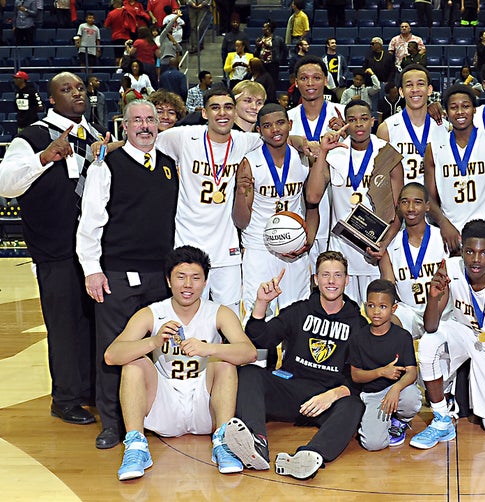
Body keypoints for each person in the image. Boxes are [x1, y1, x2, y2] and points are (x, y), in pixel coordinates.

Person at [0, 72, 103, 428]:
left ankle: (90, 390)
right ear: (52, 99)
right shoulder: (29, 137)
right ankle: (66, 398)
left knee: (94, 322)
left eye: (79, 87)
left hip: (93, 253)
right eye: (66, 89)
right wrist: (44, 158)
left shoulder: (95, 136)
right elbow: (5, 185)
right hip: (55, 250)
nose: (76, 93)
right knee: (63, 326)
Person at [75, 99, 179, 449]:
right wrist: (92, 270)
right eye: (137, 120)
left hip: (159, 277)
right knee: (113, 349)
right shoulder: (107, 166)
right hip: (117, 275)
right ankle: (111, 423)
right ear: (125, 125)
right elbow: (90, 222)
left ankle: (149, 417)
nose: (145, 125)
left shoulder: (168, 166)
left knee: (158, 348)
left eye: (151, 119)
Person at [104, 246, 257, 480]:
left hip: (206, 405)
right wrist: (154, 341)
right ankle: (136, 446)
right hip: (165, 402)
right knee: (133, 364)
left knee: (224, 361)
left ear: (205, 282)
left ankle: (223, 442)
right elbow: (111, 355)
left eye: (196, 278)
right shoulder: (152, 313)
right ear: (168, 280)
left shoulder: (219, 312)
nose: (188, 285)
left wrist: (209, 348)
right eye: (181, 277)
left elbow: (249, 353)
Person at [223, 251, 367, 480]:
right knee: (249, 373)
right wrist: (261, 304)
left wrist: (332, 395)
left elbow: (359, 376)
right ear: (315, 279)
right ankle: (256, 443)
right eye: (325, 275)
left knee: (353, 405)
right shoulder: (299, 311)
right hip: (290, 388)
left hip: (324, 399)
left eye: (338, 275)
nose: (331, 281)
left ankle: (308, 456)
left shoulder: (358, 324)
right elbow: (261, 339)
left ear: (347, 280)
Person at [410, 220, 485, 447]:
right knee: (428, 343)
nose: (476, 260)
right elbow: (430, 326)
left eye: (484, 253)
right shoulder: (449, 269)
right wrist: (433, 297)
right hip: (462, 331)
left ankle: (464, 397)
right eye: (470, 252)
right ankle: (442, 418)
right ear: (461, 251)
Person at [153, 85, 264, 315]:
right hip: (188, 242)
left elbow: (278, 138)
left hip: (227, 247)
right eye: (215, 108)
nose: (222, 113)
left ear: (235, 112)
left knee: (230, 316)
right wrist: (105, 147)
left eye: (227, 107)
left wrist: (304, 143)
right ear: (205, 113)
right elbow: (140, 143)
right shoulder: (183, 137)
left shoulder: (244, 141)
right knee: (188, 313)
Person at [306, 99, 404, 303]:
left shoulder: (388, 153)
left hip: (374, 251)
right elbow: (312, 197)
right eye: (352, 120)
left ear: (373, 121)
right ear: (345, 123)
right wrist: (322, 152)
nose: (359, 124)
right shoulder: (334, 153)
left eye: (364, 119)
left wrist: (383, 245)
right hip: (341, 248)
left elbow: (398, 209)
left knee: (374, 316)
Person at [233, 103, 319, 320]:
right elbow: (240, 221)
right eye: (268, 126)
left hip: (295, 247)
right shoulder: (250, 163)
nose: (275, 130)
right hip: (259, 246)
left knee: (298, 314)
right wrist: (240, 192)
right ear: (259, 130)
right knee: (258, 314)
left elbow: (312, 204)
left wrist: (306, 241)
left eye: (280, 123)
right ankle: (259, 356)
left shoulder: (303, 158)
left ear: (290, 125)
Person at [425, 84, 485, 252]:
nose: (459, 112)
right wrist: (443, 223)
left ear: (474, 109)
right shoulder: (434, 148)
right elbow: (429, 197)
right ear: (446, 112)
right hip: (451, 236)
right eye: (453, 107)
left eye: (465, 106)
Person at [348, 279, 422, 450]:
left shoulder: (402, 336)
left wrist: (396, 388)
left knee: (412, 398)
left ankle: (400, 420)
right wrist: (381, 372)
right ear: (365, 306)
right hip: (373, 394)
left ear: (393, 309)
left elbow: (412, 372)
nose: (376, 312)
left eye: (382, 307)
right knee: (373, 445)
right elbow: (356, 375)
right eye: (371, 306)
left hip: (397, 390)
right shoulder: (358, 338)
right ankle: (374, 419)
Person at [287, 56, 348, 265]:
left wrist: (348, 133)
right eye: (304, 78)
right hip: (298, 196)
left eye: (316, 78)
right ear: (296, 82)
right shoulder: (287, 119)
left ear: (326, 80)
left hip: (336, 196)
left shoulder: (342, 113)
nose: (310, 83)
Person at [378, 182, 450, 339]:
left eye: (417, 202)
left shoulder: (442, 238)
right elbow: (388, 285)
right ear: (398, 207)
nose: (410, 208)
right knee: (385, 323)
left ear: (427, 206)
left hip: (442, 311)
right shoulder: (391, 246)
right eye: (405, 202)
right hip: (409, 312)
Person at [377, 65, 450, 186]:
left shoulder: (445, 127)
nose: (415, 89)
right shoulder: (386, 129)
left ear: (429, 89)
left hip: (437, 201)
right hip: (402, 201)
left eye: (420, 84)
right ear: (401, 91)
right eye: (409, 85)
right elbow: (382, 177)